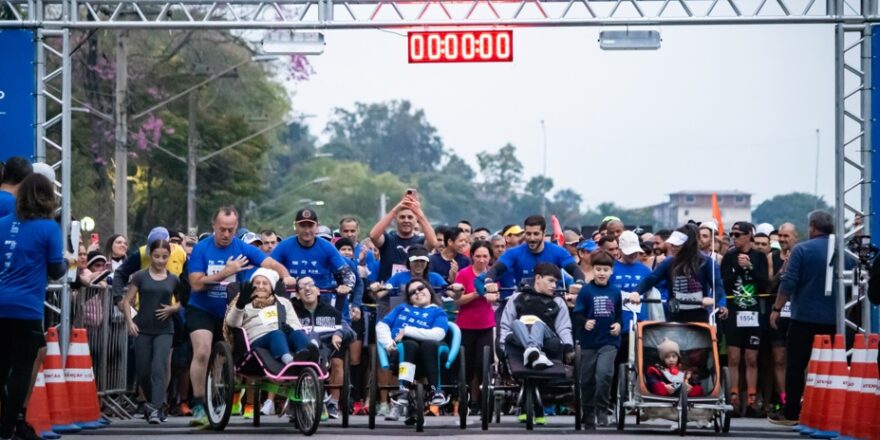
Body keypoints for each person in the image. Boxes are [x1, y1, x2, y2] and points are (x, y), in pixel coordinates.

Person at [187, 206, 290, 427]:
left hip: (232, 311)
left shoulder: (242, 247)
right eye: (222, 229)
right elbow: (195, 284)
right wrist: (225, 271)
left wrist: (285, 275)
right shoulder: (201, 249)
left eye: (231, 230)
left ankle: (225, 397)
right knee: (203, 351)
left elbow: (270, 263)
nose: (226, 234)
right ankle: (197, 403)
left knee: (232, 358)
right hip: (202, 308)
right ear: (214, 226)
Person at [0, 173, 66, 440]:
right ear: (48, 198)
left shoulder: (2, 223)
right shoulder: (49, 228)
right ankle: (9, 426)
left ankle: (8, 423)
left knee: (2, 366)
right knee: (23, 368)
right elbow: (56, 269)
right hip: (27, 308)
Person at [768, 211, 842, 426]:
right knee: (831, 366)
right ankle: (829, 411)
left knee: (796, 365)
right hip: (835, 320)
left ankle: (792, 412)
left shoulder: (802, 250)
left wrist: (777, 308)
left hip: (804, 319)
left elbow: (788, 282)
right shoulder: (843, 250)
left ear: (812, 227)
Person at [498, 263, 573, 426]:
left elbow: (564, 328)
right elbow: (505, 325)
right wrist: (502, 345)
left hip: (548, 343)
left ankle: (534, 350)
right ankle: (532, 351)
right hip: (519, 344)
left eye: (556, 283)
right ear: (538, 278)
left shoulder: (558, 302)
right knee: (517, 323)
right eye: (551, 281)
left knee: (538, 324)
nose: (554, 286)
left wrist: (568, 346)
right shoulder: (516, 298)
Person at [120, 239, 184, 423]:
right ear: (150, 255)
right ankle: (152, 402)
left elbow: (182, 301)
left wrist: (173, 309)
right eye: (156, 256)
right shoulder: (140, 276)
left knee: (159, 367)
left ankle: (156, 408)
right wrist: (130, 322)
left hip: (165, 330)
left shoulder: (173, 279)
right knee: (143, 371)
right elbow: (126, 301)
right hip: (142, 328)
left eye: (164, 257)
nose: (160, 261)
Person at [377, 279, 449, 422]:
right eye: (412, 292)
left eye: (421, 288)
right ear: (409, 298)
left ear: (429, 290)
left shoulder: (438, 311)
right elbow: (381, 326)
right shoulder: (402, 308)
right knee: (409, 345)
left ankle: (437, 390)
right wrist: (388, 343)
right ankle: (403, 389)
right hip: (401, 350)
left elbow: (438, 334)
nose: (417, 292)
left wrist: (407, 330)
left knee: (428, 344)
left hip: (430, 353)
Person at [720, 221, 770, 418]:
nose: (734, 237)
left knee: (751, 358)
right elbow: (723, 284)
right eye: (732, 234)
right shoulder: (729, 257)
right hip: (734, 313)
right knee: (733, 357)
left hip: (753, 313)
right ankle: (733, 399)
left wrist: (749, 268)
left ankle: (751, 400)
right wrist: (739, 271)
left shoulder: (759, 257)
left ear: (749, 235)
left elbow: (765, 285)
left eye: (738, 234)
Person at [271, 208, 356, 318]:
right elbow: (267, 269)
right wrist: (283, 278)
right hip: (292, 305)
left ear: (317, 226)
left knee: (343, 332)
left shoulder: (327, 247)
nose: (307, 230)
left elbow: (348, 274)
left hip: (322, 305)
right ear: (295, 226)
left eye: (310, 226)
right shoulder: (284, 246)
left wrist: (346, 286)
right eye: (302, 226)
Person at [634, 225, 728, 323]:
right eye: (672, 244)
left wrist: (713, 299)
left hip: (700, 318)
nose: (672, 247)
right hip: (675, 318)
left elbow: (718, 286)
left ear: (689, 245)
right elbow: (651, 279)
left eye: (677, 245)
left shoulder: (707, 262)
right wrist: (636, 292)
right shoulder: (669, 262)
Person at [293, 276, 355, 419]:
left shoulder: (331, 311)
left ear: (318, 291)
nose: (307, 289)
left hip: (329, 348)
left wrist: (339, 333)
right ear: (297, 294)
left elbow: (351, 332)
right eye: (302, 287)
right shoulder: (292, 310)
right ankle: (297, 400)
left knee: (337, 362)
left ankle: (333, 403)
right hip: (303, 348)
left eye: (310, 285)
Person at [479, 215, 586, 296]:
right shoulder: (513, 253)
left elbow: (576, 270)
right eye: (528, 234)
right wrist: (489, 282)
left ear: (543, 234)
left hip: (551, 303)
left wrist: (579, 284)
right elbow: (495, 270)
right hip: (522, 303)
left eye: (536, 234)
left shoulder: (558, 252)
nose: (532, 238)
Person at [574, 250, 622, 429]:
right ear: (593, 270)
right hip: (588, 343)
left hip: (608, 342)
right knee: (587, 379)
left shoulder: (615, 292)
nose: (602, 273)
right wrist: (585, 322)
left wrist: (618, 326)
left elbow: (618, 316)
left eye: (605, 269)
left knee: (604, 374)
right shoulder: (586, 291)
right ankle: (588, 412)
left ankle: (602, 408)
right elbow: (577, 314)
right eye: (598, 269)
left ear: (611, 271)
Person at [227, 269, 317, 364]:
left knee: (297, 333)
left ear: (271, 288)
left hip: (284, 337)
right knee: (276, 334)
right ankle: (288, 361)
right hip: (258, 340)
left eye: (265, 283)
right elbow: (232, 323)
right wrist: (239, 306)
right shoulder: (244, 301)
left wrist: (291, 328)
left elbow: (295, 323)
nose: (260, 286)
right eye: (257, 283)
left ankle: (309, 354)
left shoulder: (284, 302)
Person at [448, 241, 497, 415]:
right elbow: (457, 300)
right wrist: (477, 293)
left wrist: (492, 295)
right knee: (468, 366)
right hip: (466, 325)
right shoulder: (463, 274)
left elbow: (496, 297)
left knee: (483, 364)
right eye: (478, 256)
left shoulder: (493, 274)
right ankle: (472, 400)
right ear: (472, 257)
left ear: (490, 258)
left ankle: (485, 400)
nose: (482, 260)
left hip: (486, 325)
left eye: (485, 256)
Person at [369, 192, 438, 282]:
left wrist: (420, 215)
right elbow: (373, 236)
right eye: (402, 217)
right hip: (390, 290)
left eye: (410, 217)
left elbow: (433, 243)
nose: (406, 220)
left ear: (416, 219)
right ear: (396, 219)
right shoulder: (388, 240)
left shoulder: (420, 242)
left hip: (415, 290)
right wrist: (395, 210)